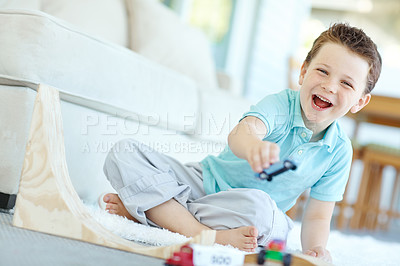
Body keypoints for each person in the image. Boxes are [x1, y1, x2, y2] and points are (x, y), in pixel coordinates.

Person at [102, 23, 381, 262]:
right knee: (123, 153)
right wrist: (253, 146)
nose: (330, 86)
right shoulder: (280, 105)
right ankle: (199, 232)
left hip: (245, 212)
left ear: (360, 101)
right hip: (201, 184)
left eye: (346, 84)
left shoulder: (339, 151)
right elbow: (241, 133)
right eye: (322, 71)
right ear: (303, 72)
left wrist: (315, 249)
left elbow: (319, 216)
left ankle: (156, 211)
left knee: (267, 220)